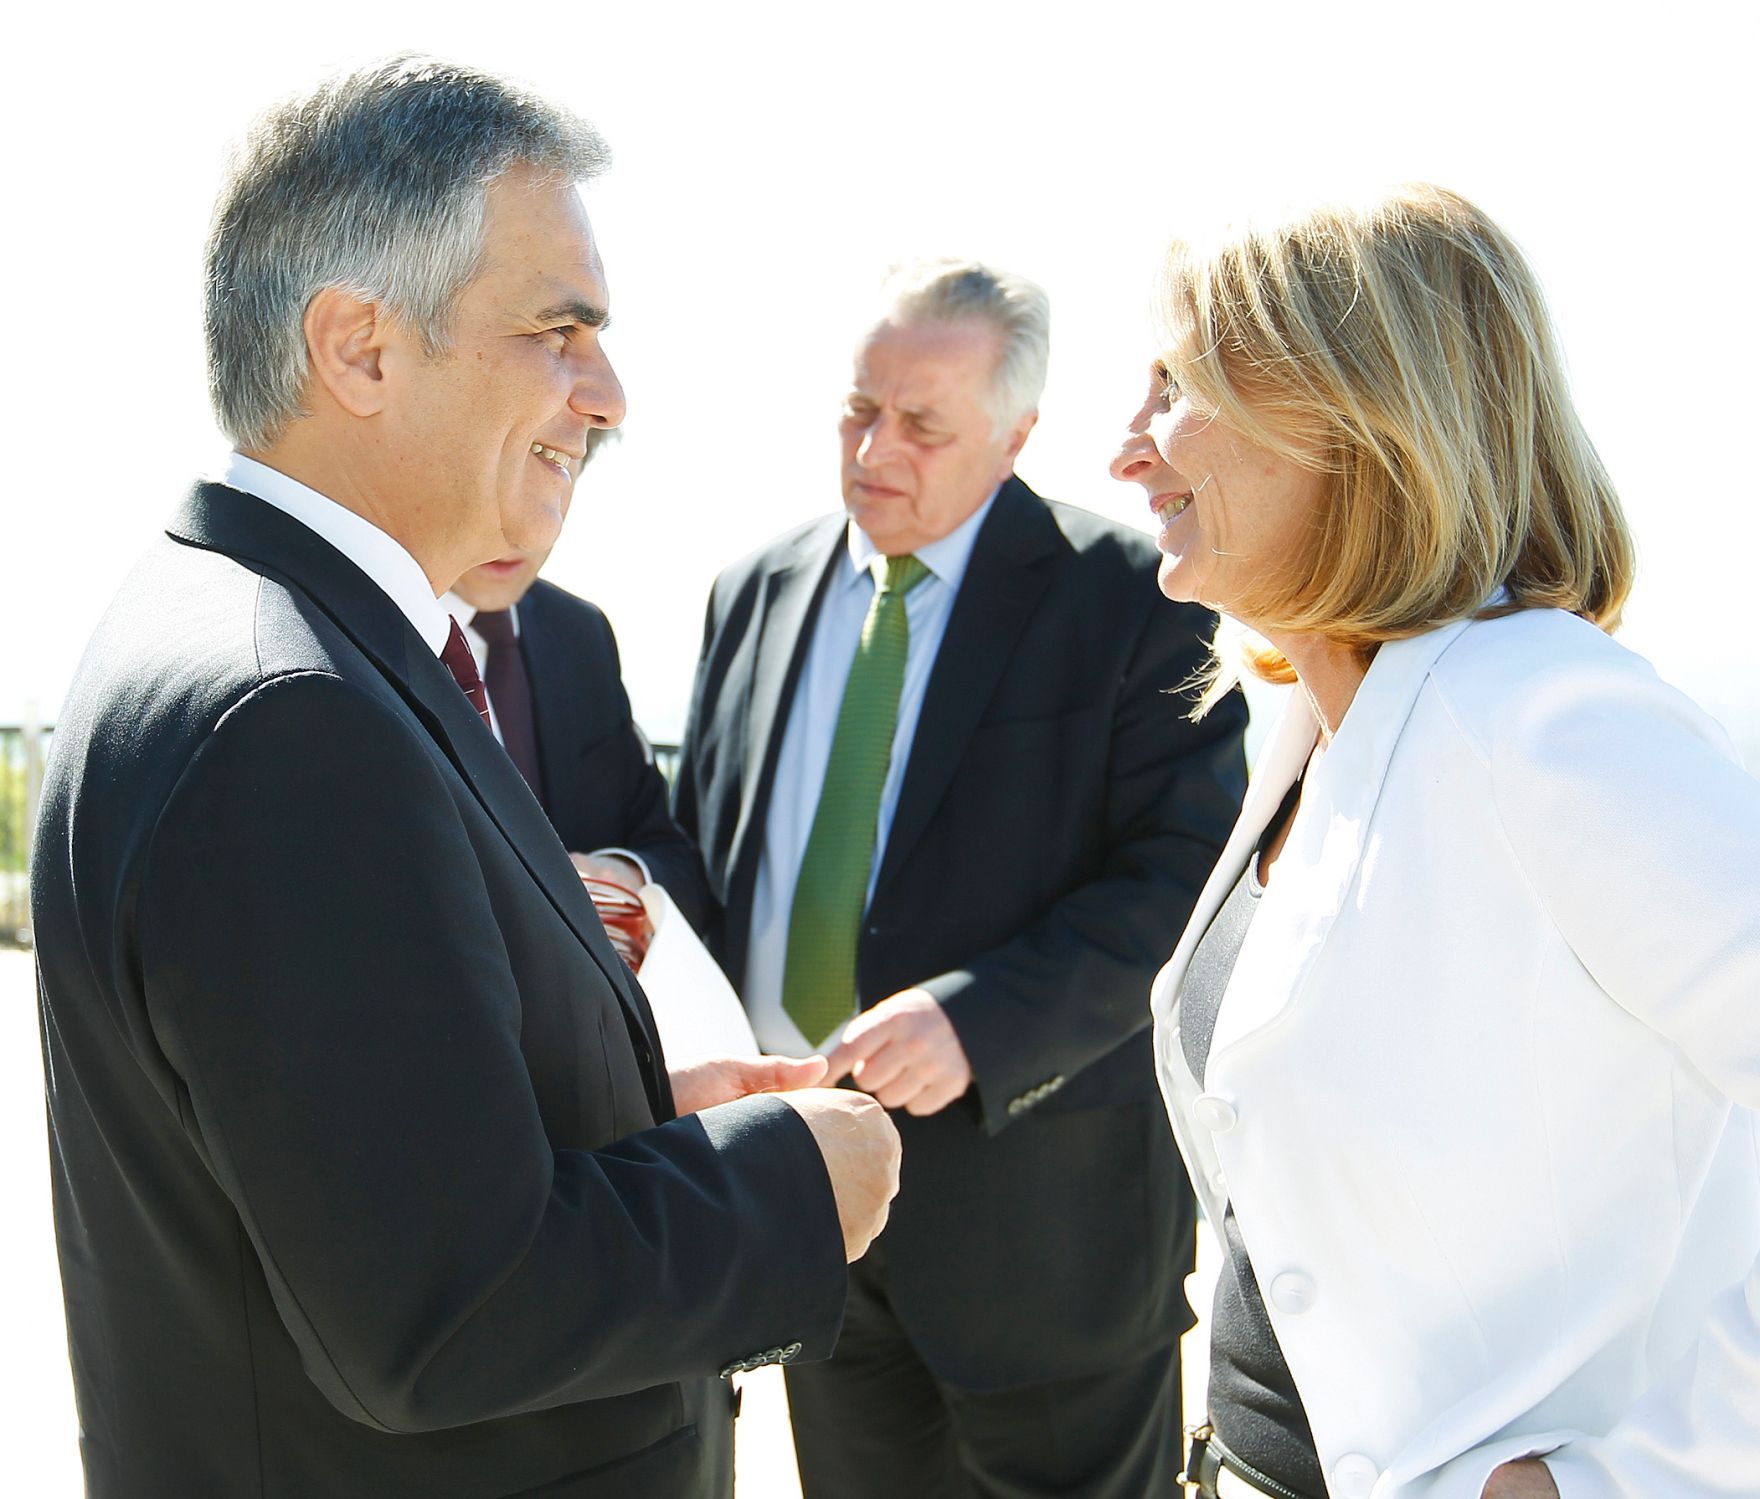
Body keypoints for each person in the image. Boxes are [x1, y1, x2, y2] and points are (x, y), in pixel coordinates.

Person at [30, 56, 899, 1499]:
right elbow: (441, 1305)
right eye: (561, 328)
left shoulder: (257, 632)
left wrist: (640, 1114)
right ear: (361, 349)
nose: (608, 393)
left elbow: (340, 1156)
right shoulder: (288, 710)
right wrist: (788, 1182)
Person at [1112, 183, 1760, 1499]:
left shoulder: (1547, 719)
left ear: (1355, 414)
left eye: (1173, 386)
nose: (1127, 449)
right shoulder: (1303, 731)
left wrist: (1642, 1475)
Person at [674, 258, 1248, 1498]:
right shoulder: (750, 593)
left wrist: (975, 1019)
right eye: (856, 409)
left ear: (1015, 434)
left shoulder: (1135, 601)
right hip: (802, 1207)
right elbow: (705, 858)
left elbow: (1182, 881)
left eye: (921, 424)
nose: (873, 447)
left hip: (1046, 1250)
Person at [444, 428, 714, 942]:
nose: (524, 527)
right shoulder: (354, 630)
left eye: (556, 467)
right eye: (496, 471)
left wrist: (623, 879)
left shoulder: (580, 634)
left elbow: (671, 854)